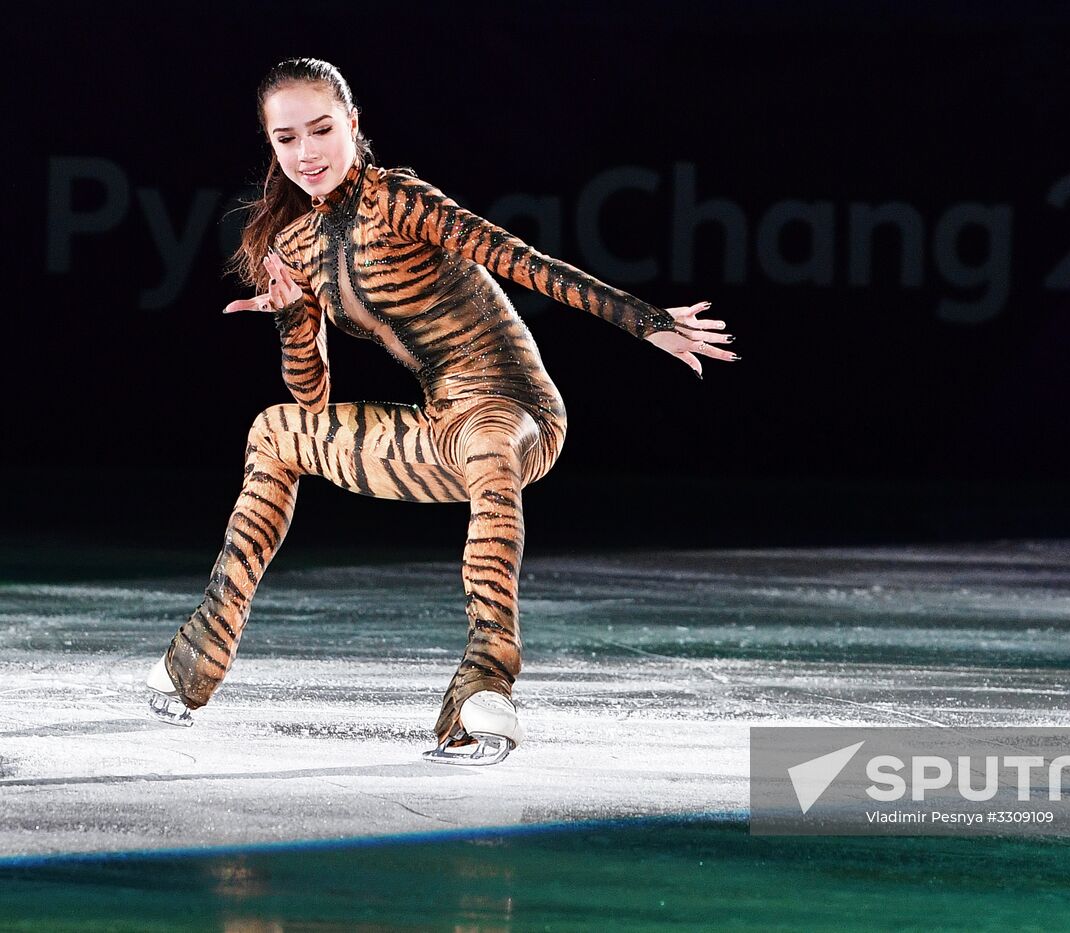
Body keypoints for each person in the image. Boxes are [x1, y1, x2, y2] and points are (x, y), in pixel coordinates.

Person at [143, 58, 736, 766]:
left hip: (516, 410)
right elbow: (312, 401)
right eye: (286, 138)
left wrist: (644, 320)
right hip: (438, 429)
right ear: (270, 144)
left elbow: (520, 259)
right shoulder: (294, 246)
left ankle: (487, 682)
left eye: (322, 130)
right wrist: (294, 318)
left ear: (354, 126)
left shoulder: (397, 199)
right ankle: (201, 651)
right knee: (273, 429)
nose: (306, 153)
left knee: (487, 439)